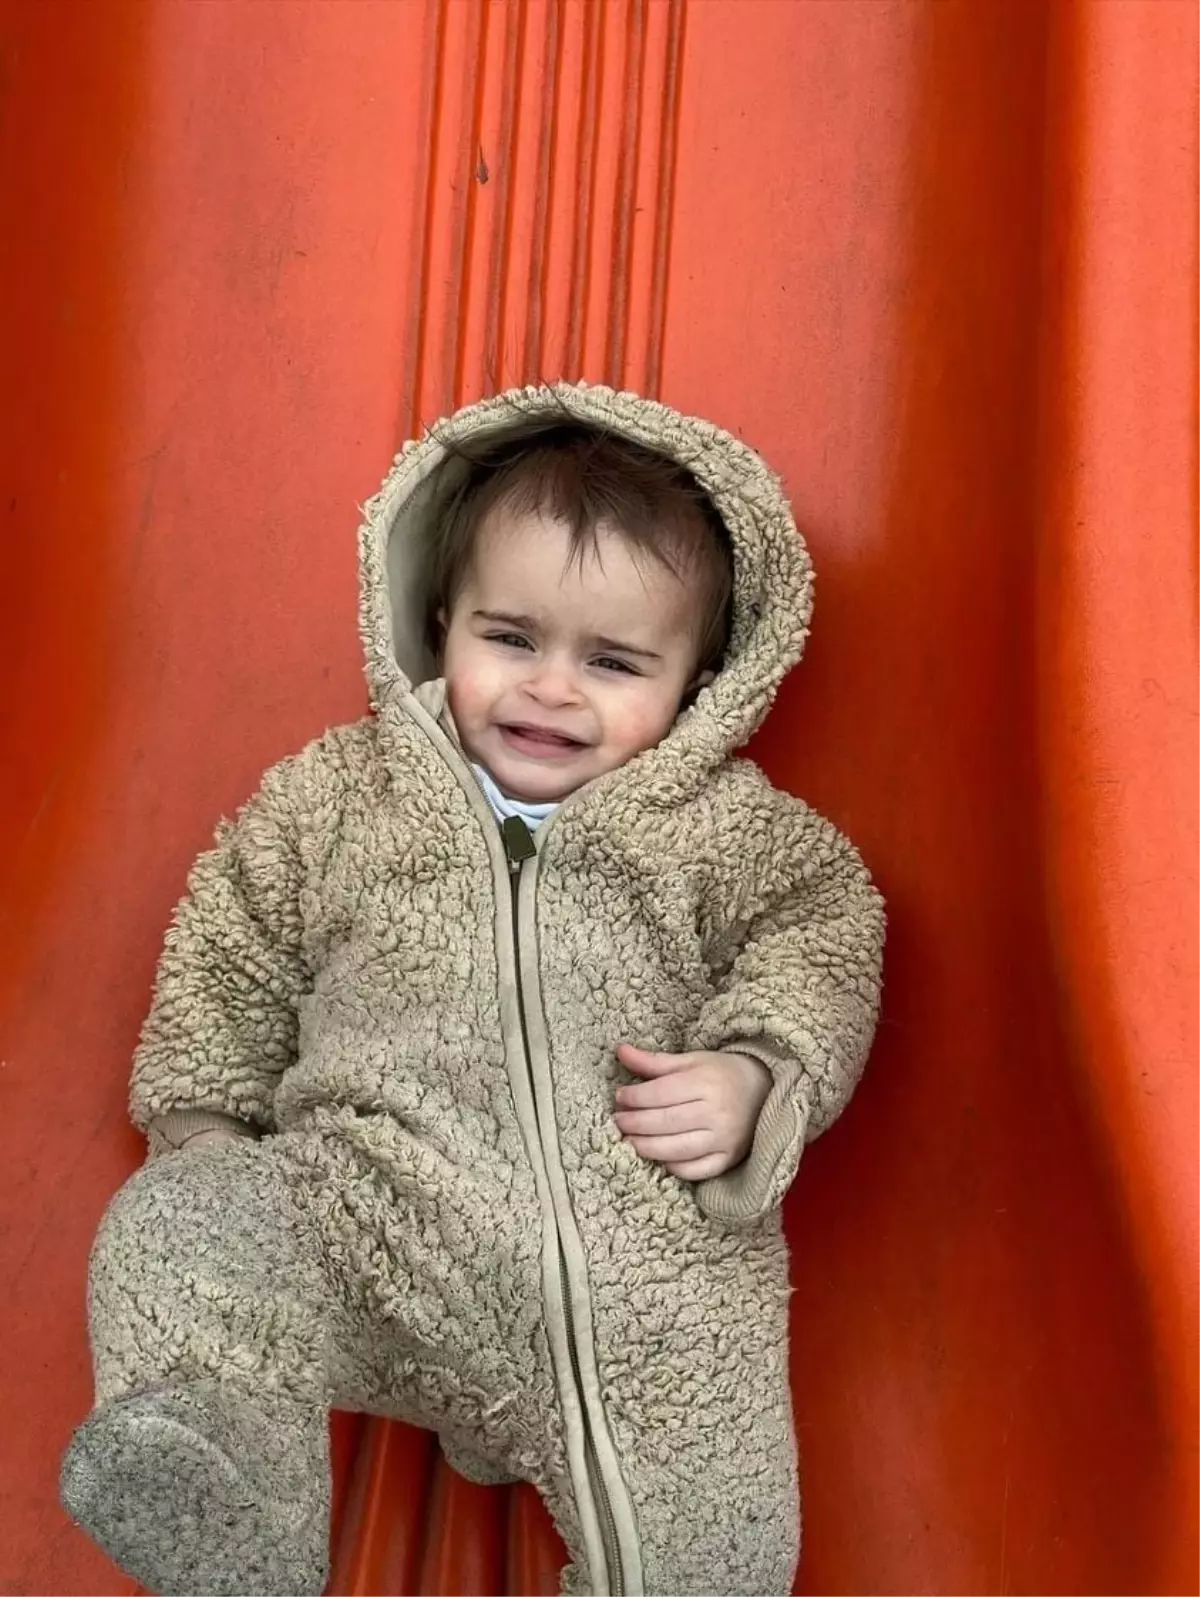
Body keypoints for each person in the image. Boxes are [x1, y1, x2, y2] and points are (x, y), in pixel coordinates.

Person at [60, 382, 884, 1597]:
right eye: (512, 639)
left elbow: (826, 930)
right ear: (441, 620)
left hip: (642, 1291)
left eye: (613, 661)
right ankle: (240, 1512)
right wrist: (205, 1136)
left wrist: (759, 1072)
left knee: (719, 1555)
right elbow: (228, 955)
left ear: (699, 682)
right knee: (174, 1225)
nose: (552, 688)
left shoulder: (723, 833)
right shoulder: (336, 799)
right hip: (371, 1221)